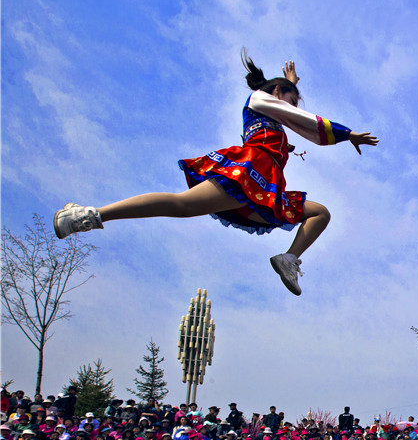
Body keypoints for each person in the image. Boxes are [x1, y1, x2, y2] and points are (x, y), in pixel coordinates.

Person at [52, 52, 378, 296]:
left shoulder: (273, 112)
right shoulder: (260, 99)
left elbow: (287, 111)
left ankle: (289, 259)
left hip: (265, 188)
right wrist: (347, 134)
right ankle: (89, 215)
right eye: (292, 99)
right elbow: (300, 118)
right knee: (181, 206)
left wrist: (291, 86)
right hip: (248, 176)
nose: (295, 107)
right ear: (277, 93)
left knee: (320, 213)